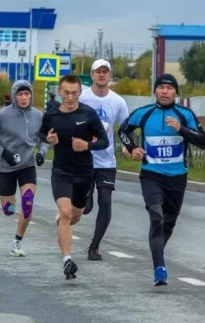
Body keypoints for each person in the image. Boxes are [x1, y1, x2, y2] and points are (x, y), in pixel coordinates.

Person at [118, 73, 205, 286]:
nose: (165, 92)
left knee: (168, 223)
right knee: (156, 218)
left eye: (169, 88)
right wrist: (133, 148)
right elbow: (122, 130)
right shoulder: (144, 113)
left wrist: (181, 129)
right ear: (155, 91)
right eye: (161, 88)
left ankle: (157, 254)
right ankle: (160, 268)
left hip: (177, 179)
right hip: (151, 175)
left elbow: (203, 141)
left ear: (176, 92)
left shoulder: (185, 114)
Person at [38, 74, 109, 280]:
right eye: (66, 93)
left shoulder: (89, 114)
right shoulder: (51, 114)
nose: (70, 97)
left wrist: (87, 145)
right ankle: (67, 260)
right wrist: (48, 138)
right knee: (65, 213)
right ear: (60, 92)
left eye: (74, 93)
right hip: (61, 172)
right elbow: (42, 134)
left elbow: (104, 141)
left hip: (84, 173)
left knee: (75, 216)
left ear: (80, 92)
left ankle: (63, 225)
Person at [0, 80, 48, 257]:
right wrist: (3, 153)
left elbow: (44, 138)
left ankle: (17, 241)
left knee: (28, 202)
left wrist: (41, 152)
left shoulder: (38, 115)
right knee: (8, 210)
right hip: (6, 166)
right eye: (20, 94)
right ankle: (12, 208)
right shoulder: (2, 115)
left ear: (31, 95)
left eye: (27, 94)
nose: (24, 98)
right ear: (14, 96)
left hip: (27, 165)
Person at [78, 59, 130, 261]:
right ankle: (84, 199)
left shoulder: (117, 102)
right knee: (86, 207)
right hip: (84, 160)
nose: (101, 75)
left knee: (106, 203)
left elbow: (125, 129)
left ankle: (94, 246)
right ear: (91, 75)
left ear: (109, 76)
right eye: (98, 71)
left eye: (105, 72)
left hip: (107, 162)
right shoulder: (82, 97)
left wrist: (128, 146)